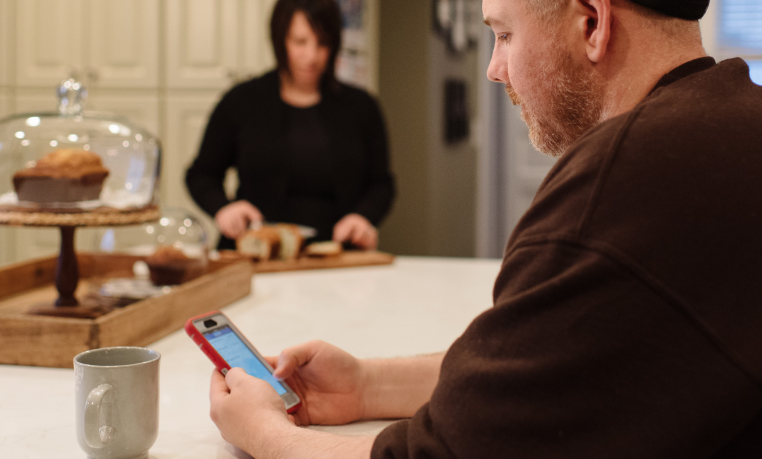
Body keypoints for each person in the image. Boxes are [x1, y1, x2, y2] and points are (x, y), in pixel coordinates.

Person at [208, 0, 762, 457]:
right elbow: (550, 370)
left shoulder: (617, 187)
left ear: (592, 22)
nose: (495, 69)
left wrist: (264, 431)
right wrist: (367, 385)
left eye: (503, 36)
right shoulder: (732, 123)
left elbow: (446, 453)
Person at [186, 0, 394, 251]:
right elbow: (201, 175)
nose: (312, 56)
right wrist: (224, 208)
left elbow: (382, 184)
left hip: (337, 253)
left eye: (322, 43)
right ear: (280, 39)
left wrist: (363, 217)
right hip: (256, 251)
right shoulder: (242, 101)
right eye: (300, 42)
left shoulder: (362, 106)